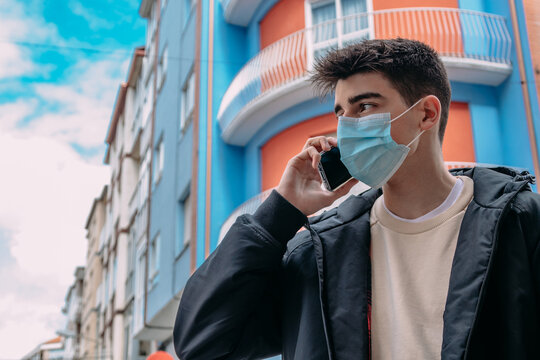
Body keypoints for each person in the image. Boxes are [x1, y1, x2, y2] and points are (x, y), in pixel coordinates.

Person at [173, 39, 540, 360]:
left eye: (364, 107)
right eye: (340, 113)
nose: (346, 127)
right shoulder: (319, 253)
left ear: (426, 114)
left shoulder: (521, 223)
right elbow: (202, 342)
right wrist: (280, 211)